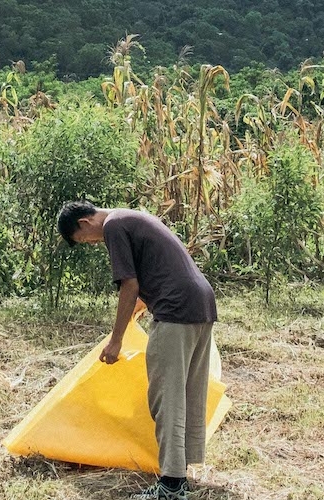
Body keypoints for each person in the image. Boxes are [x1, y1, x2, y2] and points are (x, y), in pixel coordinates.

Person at [58, 201, 218, 500]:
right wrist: (139, 310)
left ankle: (171, 486)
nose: (92, 243)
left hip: (175, 310)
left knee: (167, 398)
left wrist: (116, 340)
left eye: (84, 240)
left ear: (84, 223)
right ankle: (180, 472)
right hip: (201, 303)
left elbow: (129, 285)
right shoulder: (131, 216)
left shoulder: (112, 227)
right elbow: (158, 270)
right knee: (187, 392)